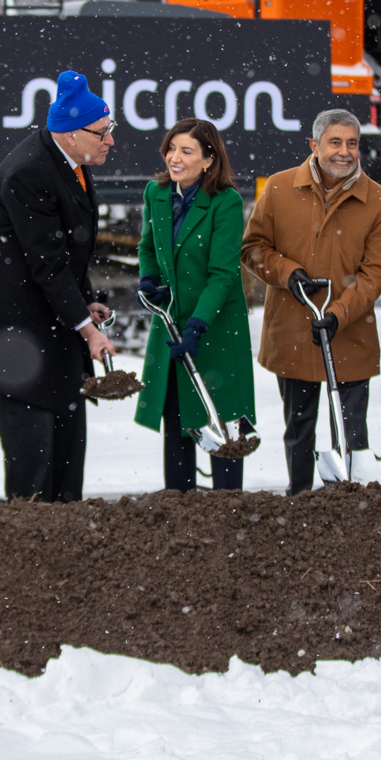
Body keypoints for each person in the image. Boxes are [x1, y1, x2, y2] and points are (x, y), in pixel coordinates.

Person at [0, 70, 115, 502]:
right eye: (102, 132)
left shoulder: (71, 159)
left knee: (67, 417)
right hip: (15, 324)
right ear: (70, 133)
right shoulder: (28, 173)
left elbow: (68, 249)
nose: (110, 140)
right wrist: (87, 330)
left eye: (110, 128)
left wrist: (84, 303)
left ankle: (64, 513)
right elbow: (47, 262)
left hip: (47, 310)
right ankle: (30, 521)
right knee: (33, 428)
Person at [242, 108, 381, 493]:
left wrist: (339, 314)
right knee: (299, 428)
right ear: (314, 145)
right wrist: (287, 272)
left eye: (352, 144)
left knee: (351, 431)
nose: (344, 152)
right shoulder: (279, 189)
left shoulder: (378, 201)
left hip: (350, 331)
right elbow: (253, 248)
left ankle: (351, 503)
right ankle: (300, 501)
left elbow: (376, 273)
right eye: (335, 142)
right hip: (294, 328)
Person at [133, 118, 256, 491]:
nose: (175, 158)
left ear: (208, 160)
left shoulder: (225, 202)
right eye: (171, 148)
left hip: (215, 328)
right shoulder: (156, 193)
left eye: (187, 151)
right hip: (172, 325)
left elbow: (222, 274)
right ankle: (180, 507)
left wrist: (198, 325)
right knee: (178, 423)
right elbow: (147, 246)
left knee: (223, 425)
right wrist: (149, 278)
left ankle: (228, 509)